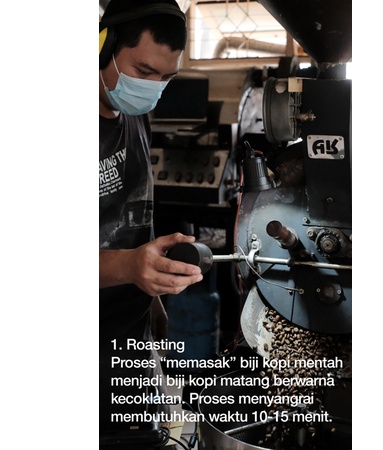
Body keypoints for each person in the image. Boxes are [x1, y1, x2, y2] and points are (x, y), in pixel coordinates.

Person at [99, 0, 203, 445]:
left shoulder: (135, 114)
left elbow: (132, 213)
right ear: (103, 47)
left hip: (129, 339)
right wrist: (128, 267)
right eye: (143, 72)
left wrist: (149, 292)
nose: (151, 89)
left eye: (166, 78)